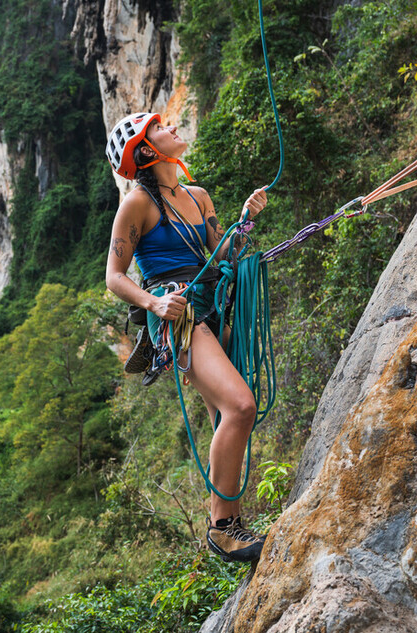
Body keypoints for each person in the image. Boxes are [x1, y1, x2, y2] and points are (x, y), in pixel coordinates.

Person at [104, 112, 268, 563]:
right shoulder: (137, 204)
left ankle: (233, 522)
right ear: (144, 150)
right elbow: (114, 277)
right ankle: (221, 527)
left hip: (212, 307)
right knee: (240, 406)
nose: (171, 126)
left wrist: (245, 222)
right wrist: (154, 303)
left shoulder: (198, 196)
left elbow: (224, 252)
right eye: (158, 127)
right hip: (179, 316)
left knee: (226, 417)